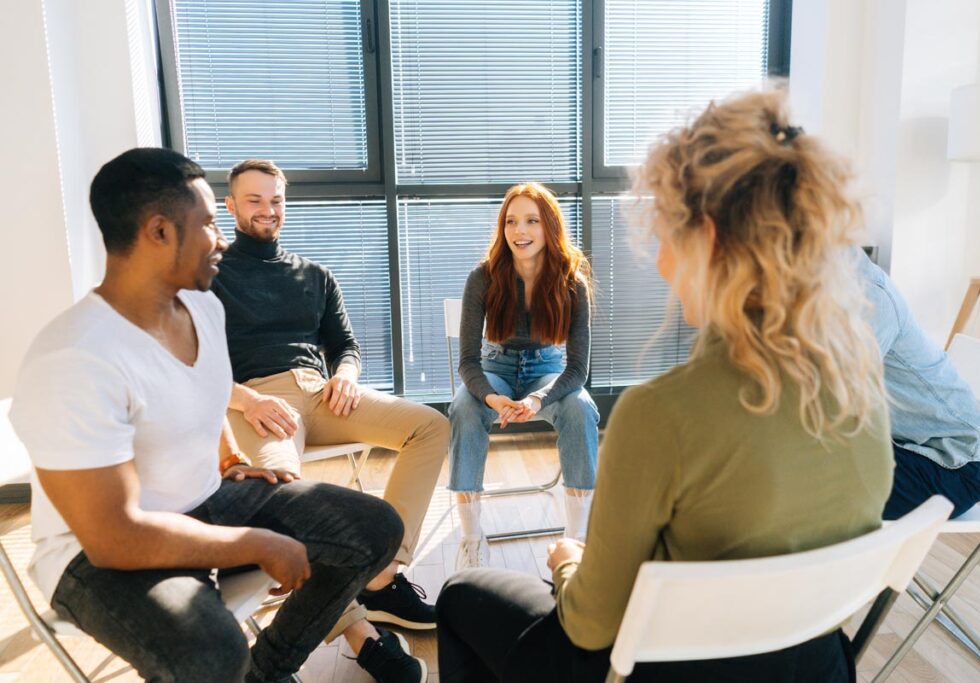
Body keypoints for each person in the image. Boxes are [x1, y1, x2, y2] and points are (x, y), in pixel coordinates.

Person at [435, 90, 895, 682]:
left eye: (665, 238)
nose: (660, 264)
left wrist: (569, 564)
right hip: (817, 667)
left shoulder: (658, 414)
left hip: (668, 668)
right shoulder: (863, 390)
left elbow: (589, 625)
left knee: (459, 595)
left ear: (706, 238)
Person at [9, 147, 408, 683]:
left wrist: (231, 456)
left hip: (207, 497)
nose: (221, 240)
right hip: (96, 558)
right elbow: (114, 537)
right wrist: (255, 541)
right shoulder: (75, 358)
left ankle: (266, 670)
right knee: (212, 650)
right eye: (208, 224)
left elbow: (207, 391)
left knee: (375, 527)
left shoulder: (202, 306)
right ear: (158, 232)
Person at [211, 159, 445, 680]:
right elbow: (191, 365)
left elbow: (347, 345)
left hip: (324, 393)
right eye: (254, 200)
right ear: (230, 206)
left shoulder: (314, 274)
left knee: (431, 426)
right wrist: (246, 402)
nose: (267, 210)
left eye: (276, 200)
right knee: (285, 495)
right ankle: (362, 633)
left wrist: (346, 374)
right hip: (259, 402)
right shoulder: (211, 275)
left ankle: (382, 572)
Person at [447, 182, 599, 570]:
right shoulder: (482, 277)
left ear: (549, 226)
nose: (520, 231)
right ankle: (470, 537)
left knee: (580, 409)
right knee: (464, 408)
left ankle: (576, 541)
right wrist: (491, 398)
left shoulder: (571, 281)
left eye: (532, 221)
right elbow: (467, 362)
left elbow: (578, 370)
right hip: (494, 368)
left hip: (547, 371)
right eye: (511, 221)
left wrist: (537, 399)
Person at [855, 250, 980, 519]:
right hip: (901, 445)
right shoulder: (823, 288)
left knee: (803, 482)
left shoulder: (868, 297)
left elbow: (826, 403)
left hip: (948, 465)